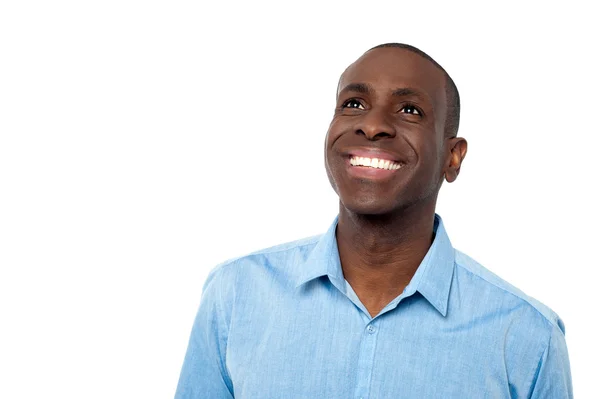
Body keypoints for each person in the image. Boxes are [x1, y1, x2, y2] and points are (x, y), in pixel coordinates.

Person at [174, 43, 573, 398]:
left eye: (410, 110)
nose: (373, 124)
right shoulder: (236, 295)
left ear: (453, 157)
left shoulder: (526, 337)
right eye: (354, 104)